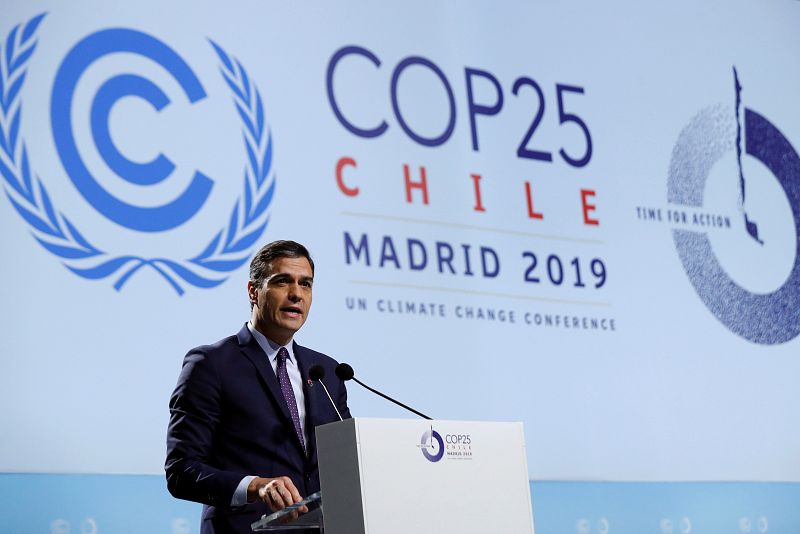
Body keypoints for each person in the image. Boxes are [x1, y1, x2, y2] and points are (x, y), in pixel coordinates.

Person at [166, 240, 350, 533]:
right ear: (253, 291)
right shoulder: (211, 364)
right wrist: (254, 486)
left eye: (306, 284)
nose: (296, 294)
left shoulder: (327, 371)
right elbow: (182, 471)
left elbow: (345, 461)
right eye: (282, 282)